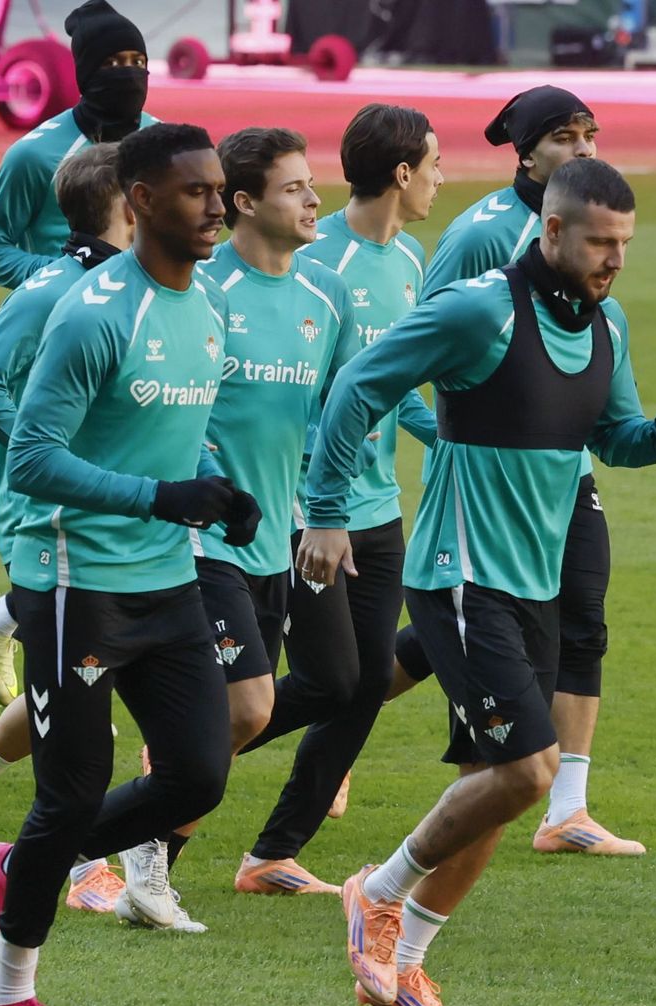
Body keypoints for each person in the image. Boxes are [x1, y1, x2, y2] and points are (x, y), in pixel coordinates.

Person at [303, 158, 656, 1006]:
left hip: (535, 586)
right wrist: (327, 511)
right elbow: (356, 387)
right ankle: (376, 893)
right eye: (600, 241)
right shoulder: (479, 309)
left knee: (493, 788)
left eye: (626, 245)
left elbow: (616, 439)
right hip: (460, 576)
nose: (614, 259)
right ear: (553, 231)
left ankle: (405, 966)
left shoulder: (608, 327)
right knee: (528, 769)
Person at [0, 123, 256, 1006]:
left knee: (199, 772)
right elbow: (34, 460)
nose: (218, 206)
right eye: (195, 192)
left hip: (167, 577)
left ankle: (21, 862)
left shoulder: (206, 307)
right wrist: (160, 496)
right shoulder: (94, 313)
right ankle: (8, 997)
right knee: (73, 787)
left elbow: (176, 435)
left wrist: (220, 493)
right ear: (138, 200)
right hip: (74, 582)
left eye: (220, 189)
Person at [389, 85, 644, 857]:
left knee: (583, 620)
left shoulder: (596, 231)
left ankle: (565, 806)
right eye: (566, 136)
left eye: (590, 133)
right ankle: (332, 715)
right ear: (526, 151)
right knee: (449, 637)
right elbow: (417, 353)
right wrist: (457, 442)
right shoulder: (479, 236)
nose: (584, 147)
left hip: (564, 470)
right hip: (486, 478)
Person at [119, 124, 360, 916]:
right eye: (294, 188)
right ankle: (143, 852)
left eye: (310, 184)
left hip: (282, 534)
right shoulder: (204, 291)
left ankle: (146, 811)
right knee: (250, 707)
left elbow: (336, 416)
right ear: (245, 202)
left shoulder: (327, 300)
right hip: (199, 538)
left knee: (331, 682)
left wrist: (328, 515)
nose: (314, 198)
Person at [233, 103, 442, 893]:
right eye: (434, 164)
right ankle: (189, 758)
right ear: (400, 172)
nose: (440, 179)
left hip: (381, 504)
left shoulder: (411, 260)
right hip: (322, 511)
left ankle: (274, 853)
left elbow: (394, 389)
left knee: (361, 686)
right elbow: (325, 403)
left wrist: (448, 436)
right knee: (329, 679)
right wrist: (324, 505)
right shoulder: (328, 271)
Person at [0, 142, 134, 893]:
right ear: (131, 203)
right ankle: (83, 864)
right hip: (48, 520)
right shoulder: (52, 289)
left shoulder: (132, 289)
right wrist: (51, 445)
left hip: (112, 519)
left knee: (89, 682)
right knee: (90, 695)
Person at [0, 0, 157, 290]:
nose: (129, 73)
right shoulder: (32, 155)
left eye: (138, 62)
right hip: (60, 316)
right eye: (114, 63)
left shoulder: (165, 142)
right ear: (87, 71)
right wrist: (59, 274)